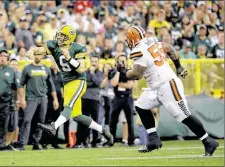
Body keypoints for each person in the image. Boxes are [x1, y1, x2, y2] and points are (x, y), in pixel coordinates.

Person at [123, 25, 219, 155]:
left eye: (129, 39)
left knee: (183, 115)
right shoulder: (151, 41)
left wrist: (122, 70)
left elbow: (137, 75)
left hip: (168, 84)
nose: (128, 42)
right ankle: (153, 139)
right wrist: (178, 66)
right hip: (156, 87)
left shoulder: (138, 50)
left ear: (133, 39)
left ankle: (208, 141)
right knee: (141, 105)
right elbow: (169, 48)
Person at [27, 25, 113, 145]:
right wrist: (31, 51)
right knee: (77, 116)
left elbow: (81, 69)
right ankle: (102, 129)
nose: (59, 37)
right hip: (67, 83)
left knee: (68, 107)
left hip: (78, 81)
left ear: (69, 38)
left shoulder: (78, 48)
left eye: (63, 35)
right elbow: (40, 50)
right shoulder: (54, 45)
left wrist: (68, 57)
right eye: (60, 34)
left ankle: (54, 126)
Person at [15, 48, 58, 151]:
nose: (38, 56)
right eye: (36, 54)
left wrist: (55, 99)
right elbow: (21, 85)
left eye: (40, 55)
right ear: (33, 55)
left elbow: (51, 86)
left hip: (43, 98)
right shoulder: (27, 68)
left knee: (40, 122)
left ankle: (36, 143)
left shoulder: (46, 69)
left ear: (42, 56)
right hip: (31, 98)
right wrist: (22, 99)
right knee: (26, 120)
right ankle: (21, 144)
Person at [109, 54, 135, 146]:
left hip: (127, 98)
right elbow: (113, 83)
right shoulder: (114, 72)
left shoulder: (130, 71)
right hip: (117, 98)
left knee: (130, 120)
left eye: (123, 61)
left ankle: (131, 141)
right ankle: (111, 141)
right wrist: (118, 71)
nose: (122, 63)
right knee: (113, 120)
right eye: (120, 61)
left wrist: (120, 84)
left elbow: (130, 85)